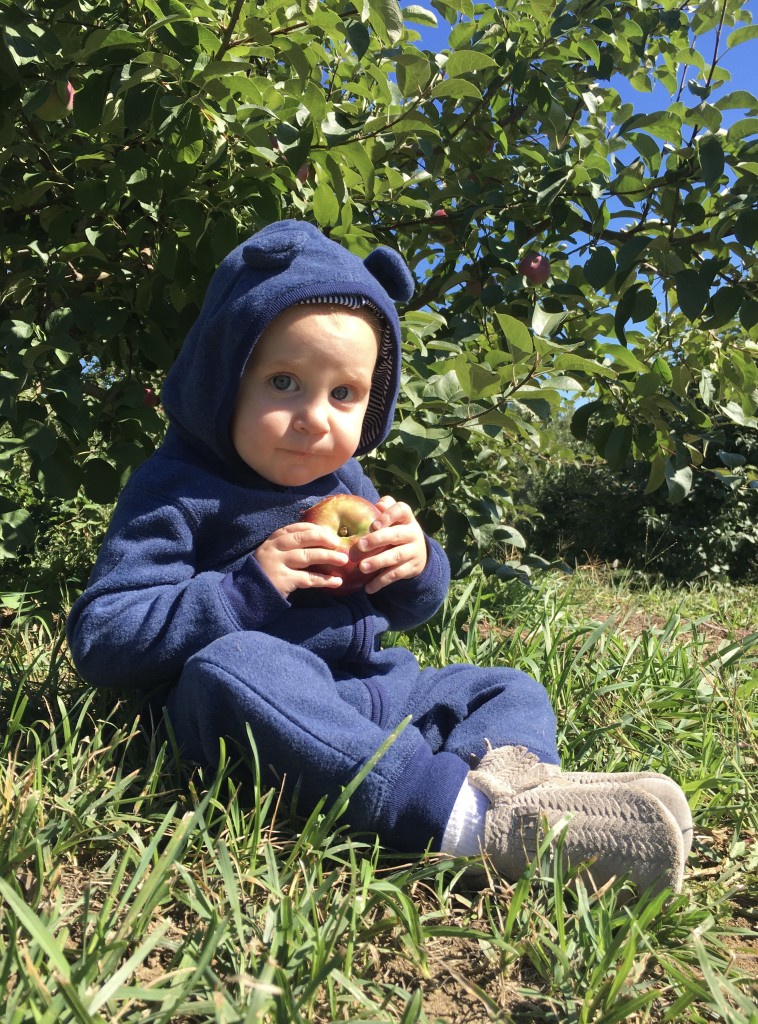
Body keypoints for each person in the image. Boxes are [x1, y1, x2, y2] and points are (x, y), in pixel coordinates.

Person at [67, 220, 692, 894]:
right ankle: (461, 822)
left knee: (500, 686)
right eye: (283, 382)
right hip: (257, 712)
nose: (315, 418)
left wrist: (415, 562)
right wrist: (245, 590)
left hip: (372, 690)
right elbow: (103, 638)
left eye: (344, 395)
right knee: (235, 667)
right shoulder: (177, 490)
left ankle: (526, 794)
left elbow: (414, 607)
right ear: (222, 378)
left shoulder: (345, 485)